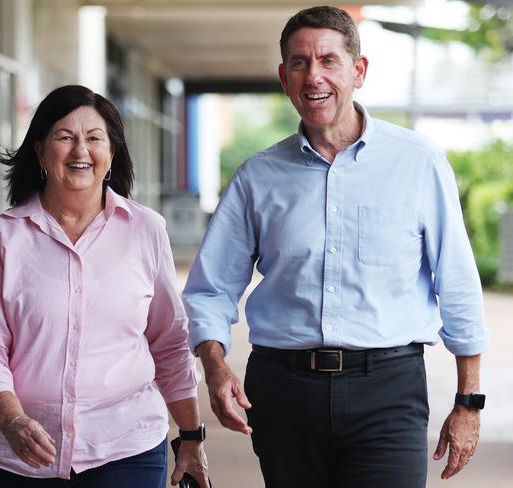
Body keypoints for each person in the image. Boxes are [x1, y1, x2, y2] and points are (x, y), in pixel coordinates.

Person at [183, 6, 489, 488]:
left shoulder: (418, 163)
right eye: (300, 64)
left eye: (328, 60)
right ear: (284, 78)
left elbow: (457, 284)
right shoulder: (257, 178)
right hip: (284, 391)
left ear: (358, 71)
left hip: (389, 389)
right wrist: (215, 368)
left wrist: (468, 401)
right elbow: (208, 290)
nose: (314, 76)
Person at [0, 84, 209, 488]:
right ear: (40, 150)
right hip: (16, 456)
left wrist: (192, 437)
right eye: (64, 137)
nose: (80, 151)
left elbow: (169, 339)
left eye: (94, 138)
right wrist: (11, 420)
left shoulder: (146, 229)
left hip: (126, 448)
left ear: (111, 154)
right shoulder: (2, 238)